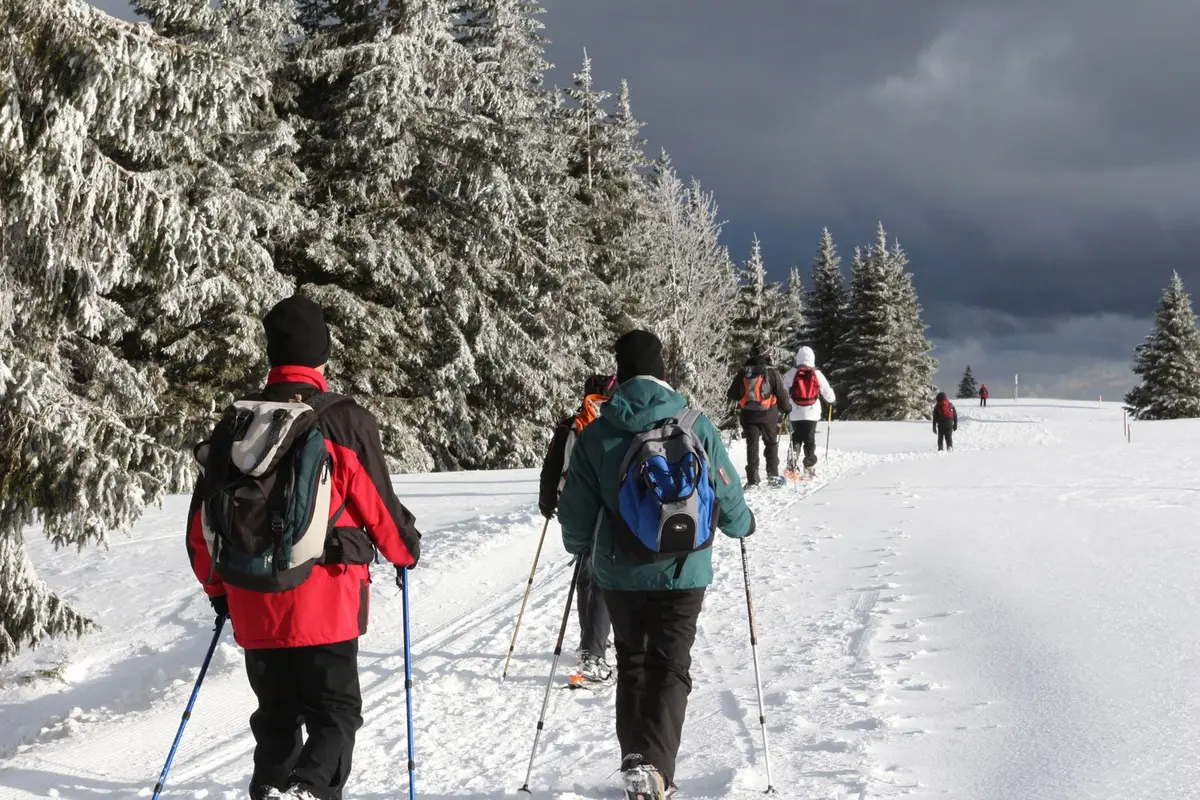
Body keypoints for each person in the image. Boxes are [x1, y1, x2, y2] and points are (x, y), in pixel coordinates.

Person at [185, 295, 421, 800]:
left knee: (275, 719)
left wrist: (219, 590)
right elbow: (379, 505)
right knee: (335, 715)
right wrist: (404, 552)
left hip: (253, 600)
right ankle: (309, 791)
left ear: (273, 355)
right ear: (322, 355)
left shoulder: (235, 425)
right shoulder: (343, 419)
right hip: (326, 599)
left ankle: (276, 790)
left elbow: (200, 527)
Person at [558, 329, 755, 799]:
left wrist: (582, 545)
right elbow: (726, 491)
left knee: (633, 662)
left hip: (620, 573)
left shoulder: (599, 433)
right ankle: (655, 769)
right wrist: (742, 525)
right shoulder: (694, 423)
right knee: (670, 666)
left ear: (619, 375)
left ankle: (637, 762)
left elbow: (576, 514)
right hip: (685, 570)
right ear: (664, 373)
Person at [538, 373, 617, 683]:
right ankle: (594, 653)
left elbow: (552, 465)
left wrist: (547, 501)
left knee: (585, 572)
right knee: (601, 577)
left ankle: (590, 641)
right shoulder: (615, 420)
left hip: (572, 505)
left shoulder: (570, 424)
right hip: (607, 507)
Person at [726, 344, 792, 488]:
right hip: (768, 414)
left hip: (748, 415)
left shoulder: (744, 371)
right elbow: (781, 393)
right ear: (766, 355)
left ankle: (753, 479)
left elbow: (732, 394)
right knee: (771, 443)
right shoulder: (771, 371)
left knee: (752, 445)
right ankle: (773, 475)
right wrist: (786, 408)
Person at [781, 346, 836, 476]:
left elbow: (782, 392)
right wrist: (832, 401)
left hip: (795, 411)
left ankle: (792, 463)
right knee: (809, 439)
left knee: (796, 437)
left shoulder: (790, 374)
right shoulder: (817, 373)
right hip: (812, 412)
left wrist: (783, 407)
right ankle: (809, 465)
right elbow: (827, 391)